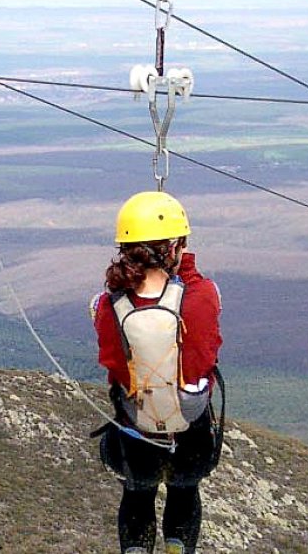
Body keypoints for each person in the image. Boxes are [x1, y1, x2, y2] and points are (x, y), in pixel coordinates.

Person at [90, 191, 223, 554]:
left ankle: (136, 549)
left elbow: (114, 366)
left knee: (137, 494)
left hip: (135, 433)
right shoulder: (201, 296)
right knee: (184, 491)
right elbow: (207, 352)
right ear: (174, 247)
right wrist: (185, 263)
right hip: (191, 437)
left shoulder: (107, 305)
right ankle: (179, 546)